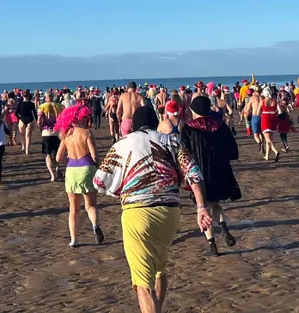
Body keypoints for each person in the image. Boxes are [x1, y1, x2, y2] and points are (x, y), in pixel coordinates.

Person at [94, 105, 213, 313]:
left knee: (143, 284)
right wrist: (201, 207)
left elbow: (99, 181)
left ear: (134, 125)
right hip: (170, 213)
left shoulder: (122, 144)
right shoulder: (171, 141)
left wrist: (122, 188)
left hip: (137, 213)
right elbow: (194, 174)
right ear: (156, 121)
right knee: (159, 270)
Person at [180, 95, 242, 256]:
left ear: (193, 110)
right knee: (215, 203)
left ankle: (212, 245)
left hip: (200, 173)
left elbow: (184, 154)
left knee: (203, 207)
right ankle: (223, 227)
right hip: (220, 170)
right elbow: (233, 151)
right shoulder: (220, 125)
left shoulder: (188, 128)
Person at [55, 102, 104, 247]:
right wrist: (99, 167)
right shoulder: (87, 133)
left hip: (72, 171)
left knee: (73, 209)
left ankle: (74, 240)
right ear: (81, 118)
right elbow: (95, 156)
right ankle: (95, 225)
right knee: (91, 205)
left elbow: (58, 158)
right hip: (87, 169)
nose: (86, 120)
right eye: (85, 117)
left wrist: (70, 160)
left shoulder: (66, 134)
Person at [39, 99, 62, 181]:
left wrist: (41, 127)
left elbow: (39, 121)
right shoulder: (59, 106)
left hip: (46, 132)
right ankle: (57, 168)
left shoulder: (42, 106)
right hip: (56, 131)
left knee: (48, 155)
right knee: (56, 153)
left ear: (46, 98)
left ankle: (52, 175)